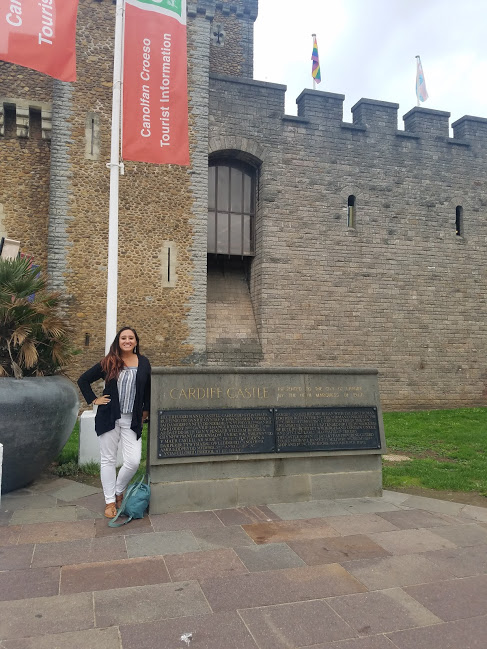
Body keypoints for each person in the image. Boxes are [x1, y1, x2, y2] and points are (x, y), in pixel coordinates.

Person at [78, 327, 151, 518]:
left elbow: (148, 390)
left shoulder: (143, 363)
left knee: (133, 461)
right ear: (118, 341)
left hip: (132, 420)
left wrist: (145, 412)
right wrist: (94, 399)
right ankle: (110, 500)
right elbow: (83, 380)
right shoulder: (109, 362)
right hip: (109, 417)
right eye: (123, 338)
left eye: (131, 338)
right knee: (108, 459)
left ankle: (119, 490)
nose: (127, 341)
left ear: (136, 341)